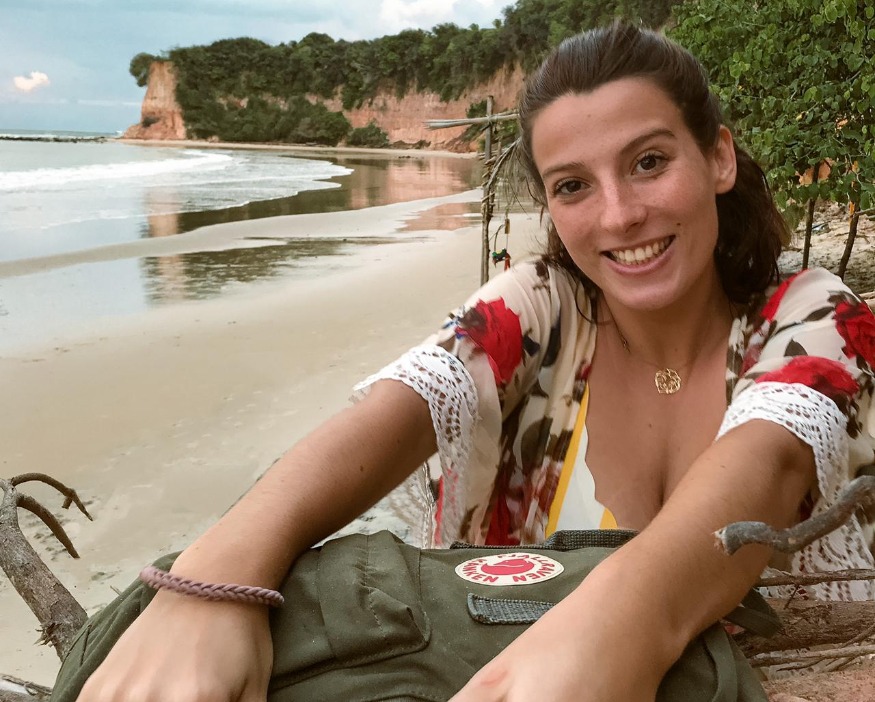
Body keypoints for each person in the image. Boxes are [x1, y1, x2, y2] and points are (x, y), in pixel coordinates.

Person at [73, 22, 874, 702]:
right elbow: (396, 407)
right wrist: (212, 585)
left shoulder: (815, 312)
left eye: (648, 162)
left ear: (718, 158)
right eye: (572, 185)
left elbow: (767, 462)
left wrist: (615, 630)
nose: (618, 214)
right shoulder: (544, 305)